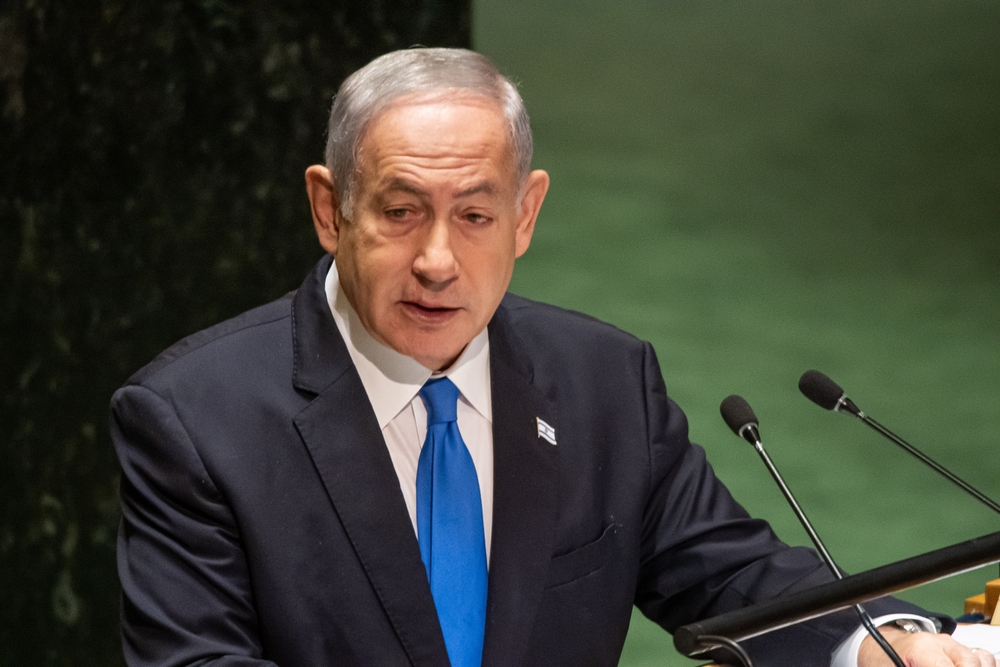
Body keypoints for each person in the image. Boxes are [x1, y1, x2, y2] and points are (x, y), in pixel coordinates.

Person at [111, 47, 994, 667]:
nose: (438, 260)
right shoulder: (194, 420)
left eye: (476, 215)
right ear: (329, 208)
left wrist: (884, 643)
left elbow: (731, 575)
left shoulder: (604, 383)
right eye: (401, 211)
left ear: (526, 215)